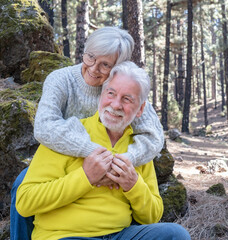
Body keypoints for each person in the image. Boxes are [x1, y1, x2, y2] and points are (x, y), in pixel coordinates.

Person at [10, 27, 164, 239]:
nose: (93, 68)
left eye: (105, 65)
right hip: (58, 157)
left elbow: (153, 136)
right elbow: (44, 126)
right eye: (90, 57)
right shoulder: (61, 79)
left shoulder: (120, 88)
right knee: (21, 184)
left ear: (117, 67)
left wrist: (121, 162)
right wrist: (97, 155)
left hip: (111, 164)